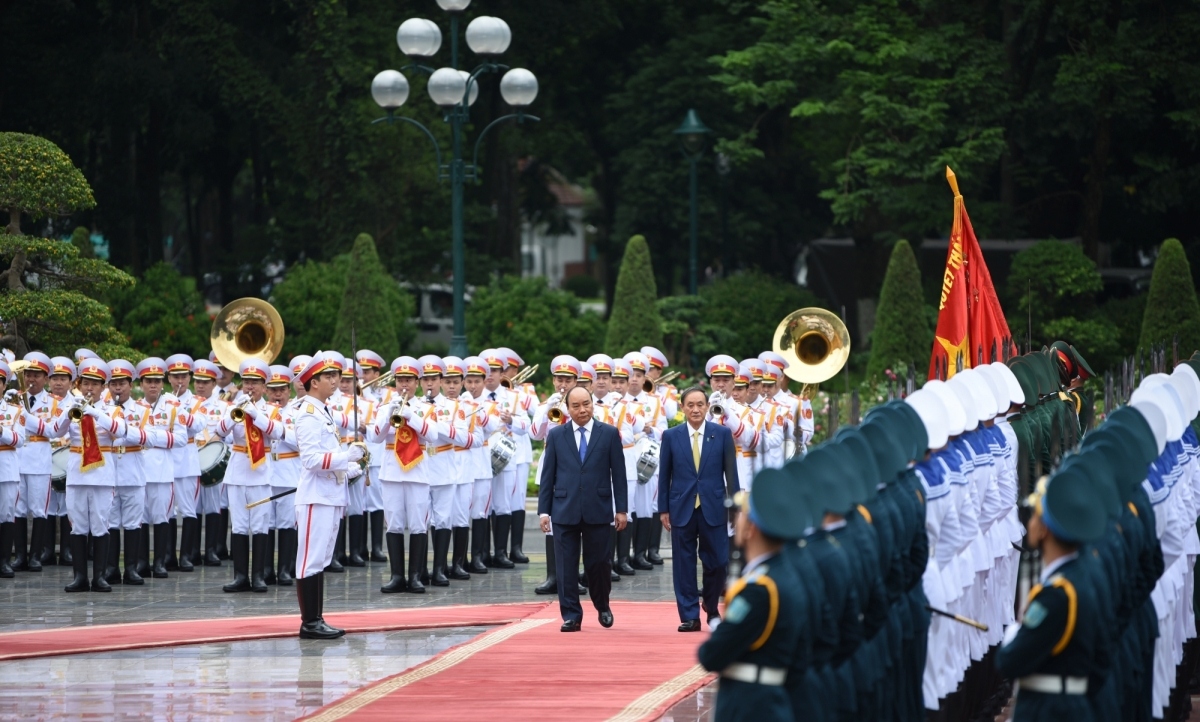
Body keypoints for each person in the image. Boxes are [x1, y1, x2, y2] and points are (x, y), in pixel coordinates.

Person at [698, 469, 811, 722]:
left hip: (751, 706)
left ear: (751, 529)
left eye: (740, 515)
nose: (735, 520)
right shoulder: (786, 574)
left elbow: (712, 655)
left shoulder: (758, 590)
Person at [995, 466, 1107, 721]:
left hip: (1050, 711)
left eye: (1035, 515)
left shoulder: (1056, 596)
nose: (1030, 522)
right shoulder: (1084, 575)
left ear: (1044, 529)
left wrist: (1014, 634)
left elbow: (1009, 661)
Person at [537, 386, 628, 632]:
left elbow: (618, 474)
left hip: (598, 509)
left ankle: (603, 605)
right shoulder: (556, 436)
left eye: (586, 404)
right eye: (575, 406)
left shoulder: (608, 434)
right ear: (567, 409)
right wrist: (544, 511)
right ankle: (571, 615)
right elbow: (548, 476)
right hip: (563, 509)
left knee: (599, 564)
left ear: (592, 404)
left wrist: (621, 509)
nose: (582, 410)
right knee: (565, 565)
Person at [293, 351, 366, 639]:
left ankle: (316, 618)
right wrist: (345, 456)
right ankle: (309, 622)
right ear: (313, 382)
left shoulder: (324, 411)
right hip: (315, 497)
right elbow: (310, 460)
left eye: (336, 375)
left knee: (321, 559)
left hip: (330, 494)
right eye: (328, 376)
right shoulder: (308, 414)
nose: (335, 380)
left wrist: (348, 469)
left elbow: (327, 459)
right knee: (310, 559)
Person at [658, 386, 740, 632]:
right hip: (681, 506)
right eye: (690, 405)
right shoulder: (671, 436)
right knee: (683, 563)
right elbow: (665, 475)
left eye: (700, 404)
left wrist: (734, 507)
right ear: (682, 407)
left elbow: (731, 474)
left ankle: (712, 608)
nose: (695, 409)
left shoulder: (722, 434)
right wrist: (663, 508)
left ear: (707, 407)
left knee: (717, 562)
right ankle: (690, 615)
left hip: (714, 506)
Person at [62, 358, 127, 592]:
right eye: (86, 383)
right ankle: (80, 576)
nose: (89, 388)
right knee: (78, 525)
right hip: (77, 473)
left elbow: (122, 432)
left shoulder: (113, 410)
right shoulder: (72, 406)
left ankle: (99, 576)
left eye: (95, 384)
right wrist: (69, 412)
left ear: (103, 387)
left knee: (100, 524)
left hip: (101, 474)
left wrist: (96, 414)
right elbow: (55, 431)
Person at [0, 362, 24, 579]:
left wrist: (2, 432)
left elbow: (20, 439)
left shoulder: (15, 411)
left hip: (6, 468)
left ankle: (4, 561)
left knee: (7, 514)